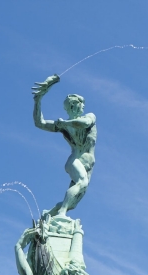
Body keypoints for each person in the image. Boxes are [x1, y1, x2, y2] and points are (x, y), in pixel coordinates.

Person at [33, 75, 97, 217]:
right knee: (82, 182)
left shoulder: (88, 117)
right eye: (80, 104)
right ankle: (61, 214)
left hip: (88, 165)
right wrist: (38, 101)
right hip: (75, 160)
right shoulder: (63, 126)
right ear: (74, 105)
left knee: (72, 204)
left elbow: (84, 123)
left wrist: (65, 123)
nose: (83, 106)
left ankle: (47, 215)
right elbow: (40, 123)